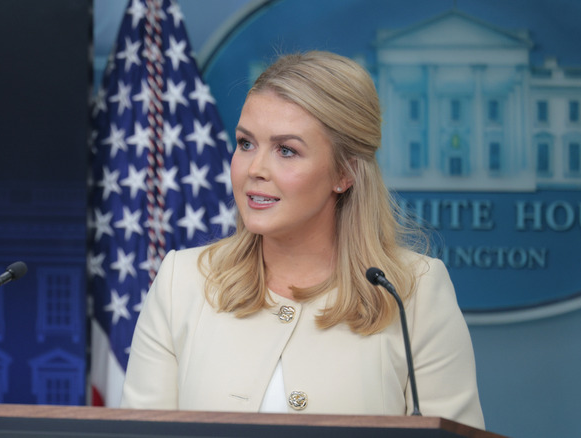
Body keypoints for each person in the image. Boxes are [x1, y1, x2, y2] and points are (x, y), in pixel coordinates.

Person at [120, 51, 485, 430]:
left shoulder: (415, 291)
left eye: (286, 150)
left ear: (344, 173)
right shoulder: (182, 281)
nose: (254, 170)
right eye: (246, 143)